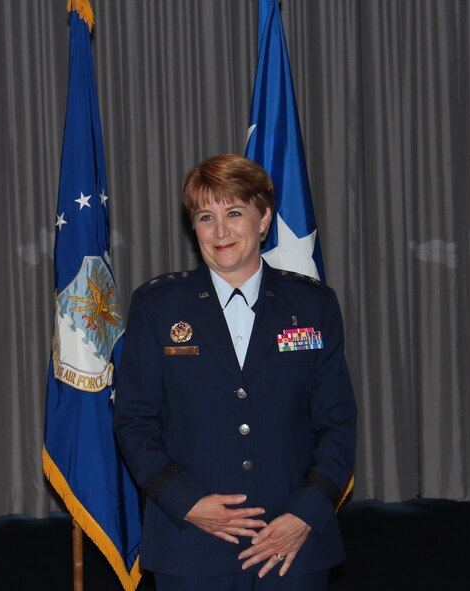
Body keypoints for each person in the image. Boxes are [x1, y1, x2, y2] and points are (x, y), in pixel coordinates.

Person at [114, 154, 356, 591]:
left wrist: (307, 513)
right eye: (206, 216)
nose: (220, 231)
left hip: (291, 544)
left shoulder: (313, 306)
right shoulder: (157, 307)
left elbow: (337, 423)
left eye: (235, 213)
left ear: (263, 219)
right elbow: (134, 422)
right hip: (191, 543)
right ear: (194, 227)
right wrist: (186, 503)